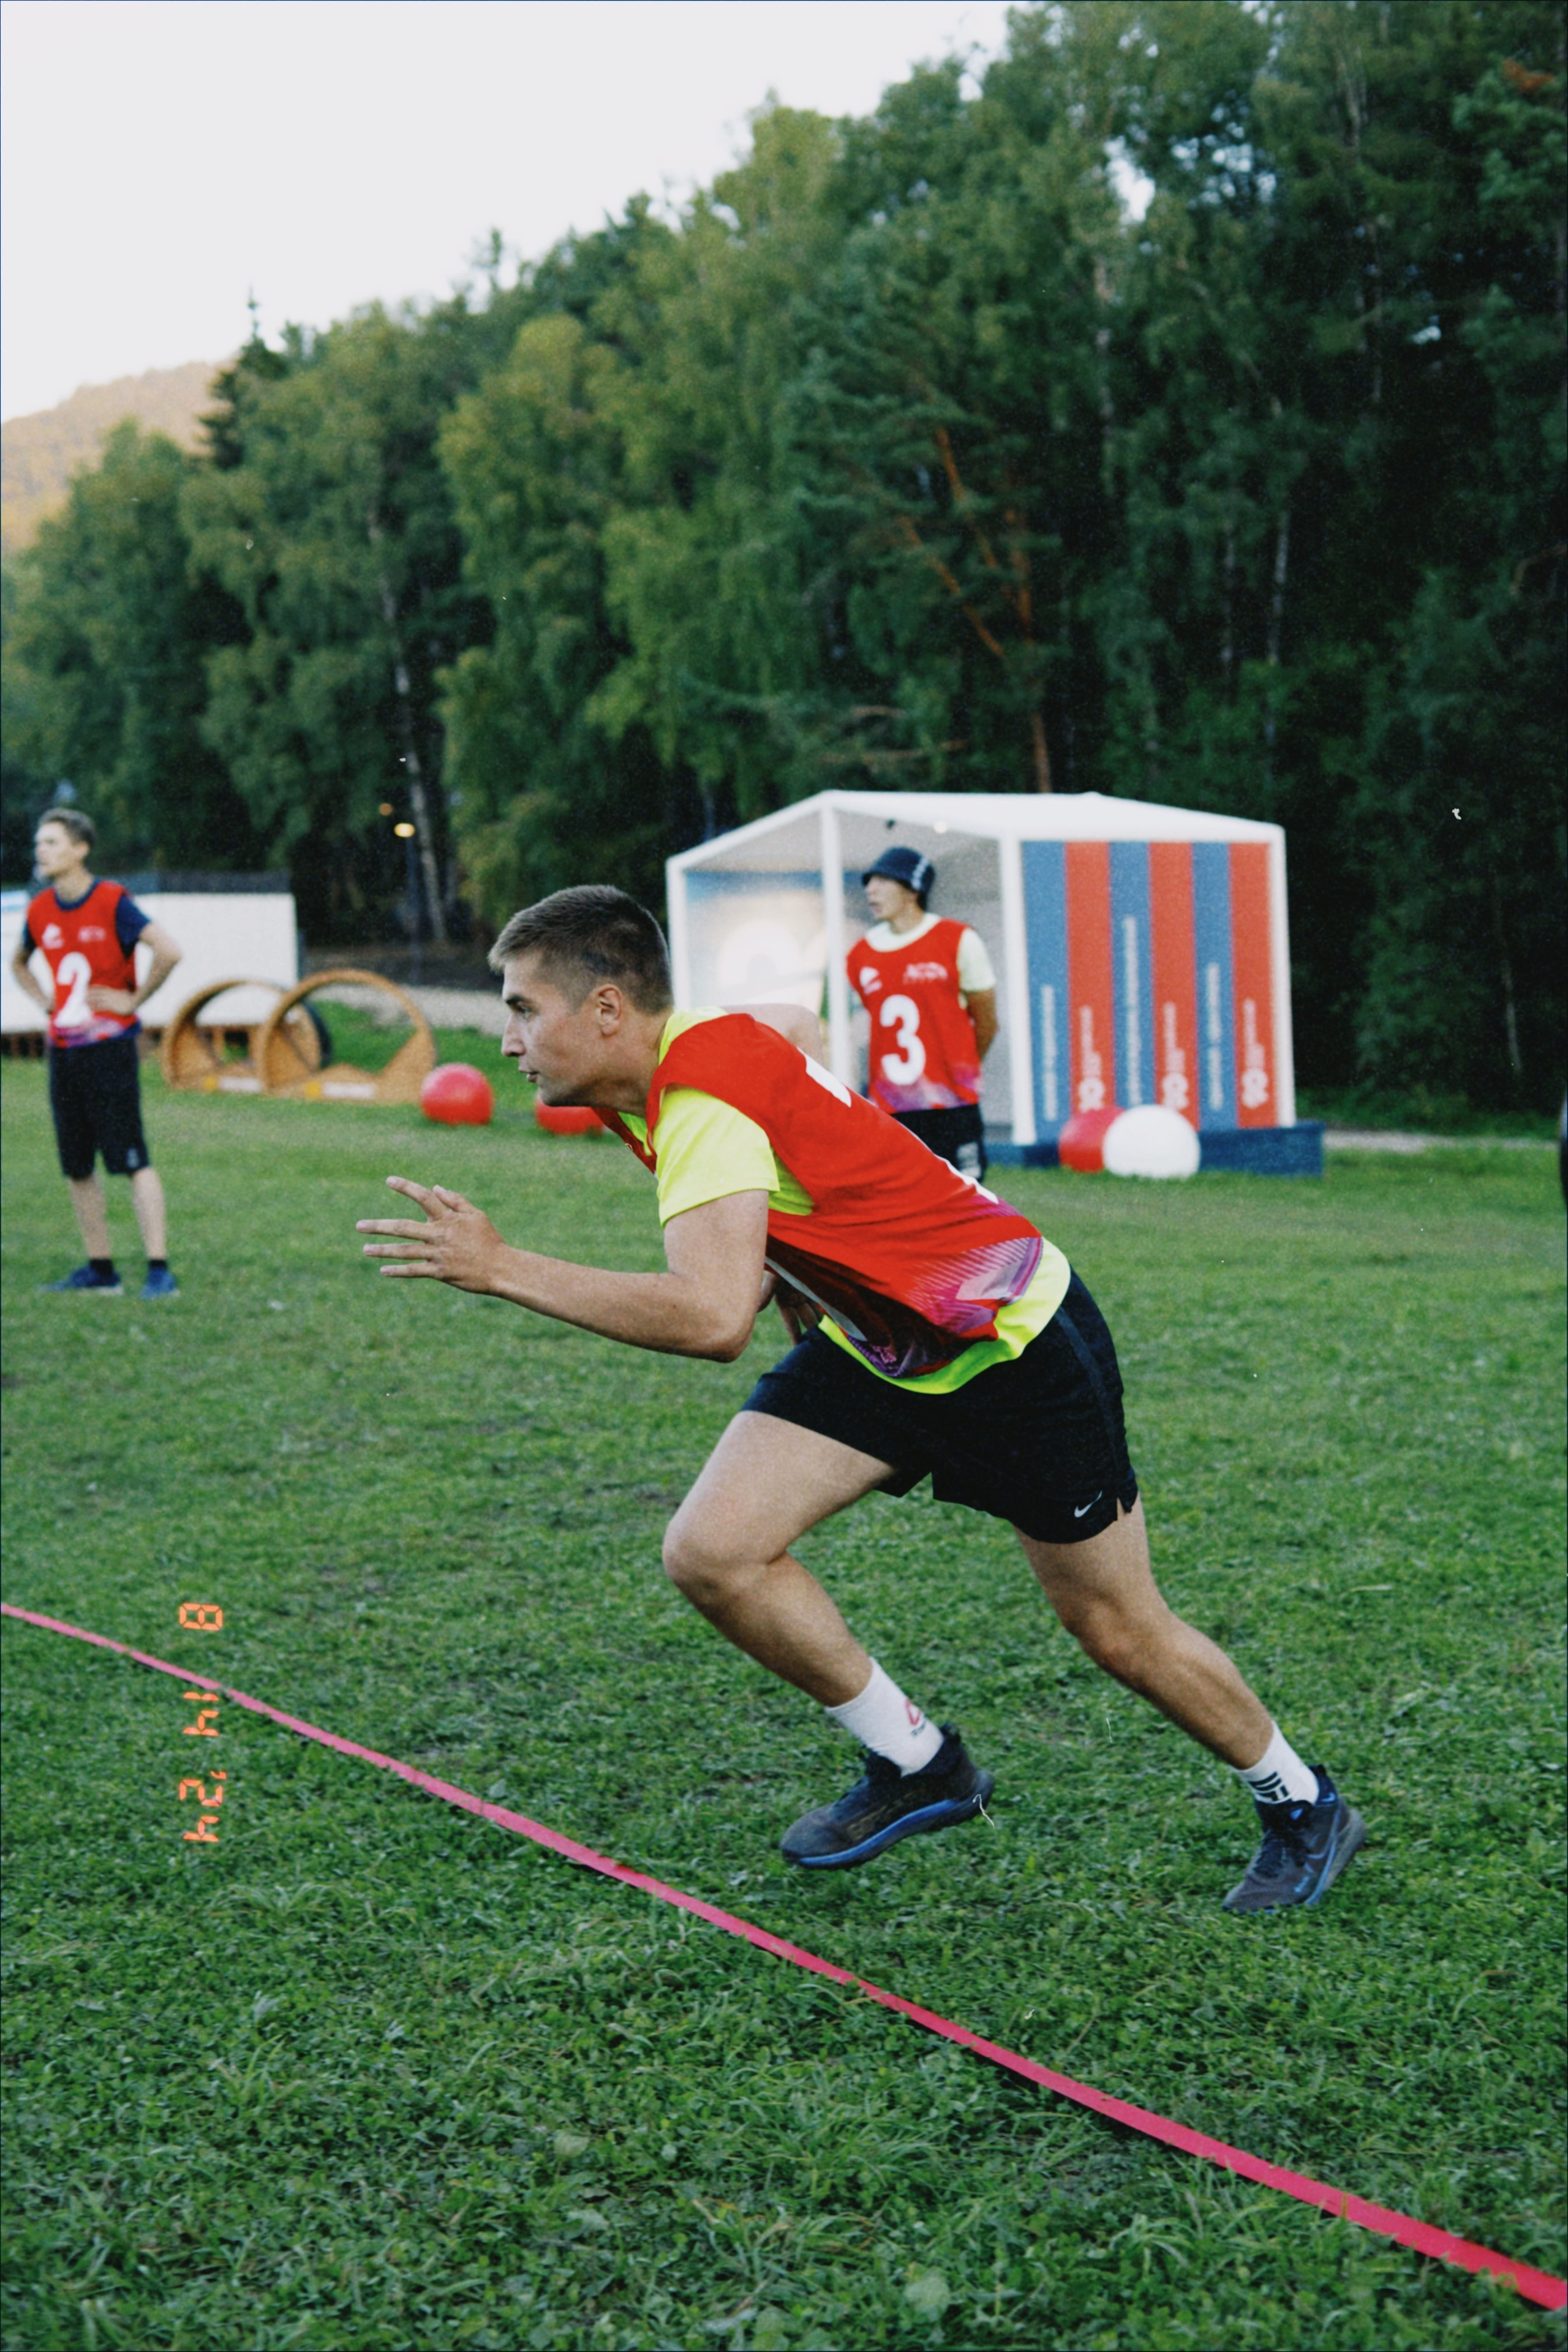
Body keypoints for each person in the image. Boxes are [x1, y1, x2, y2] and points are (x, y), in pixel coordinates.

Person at [357, 886, 1365, 1913]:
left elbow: (711, 1317)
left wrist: (502, 1267)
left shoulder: (701, 1104)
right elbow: (798, 1037)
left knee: (1118, 1629)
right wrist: (807, 1254)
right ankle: (920, 1764)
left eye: (524, 1010)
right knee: (714, 1551)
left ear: (607, 1008)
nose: (510, 1040)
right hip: (885, 1345)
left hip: (1014, 1347)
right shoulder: (698, 1043)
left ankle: (1304, 1802)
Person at [11, 808, 183, 1298]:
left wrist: (133, 1000)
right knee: (76, 1164)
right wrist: (44, 1001)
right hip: (64, 1053)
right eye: (39, 843)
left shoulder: (112, 901)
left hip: (110, 1050)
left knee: (132, 1159)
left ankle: (159, 1269)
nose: (41, 850)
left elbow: (169, 951)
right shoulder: (40, 909)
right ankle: (100, 1269)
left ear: (80, 848)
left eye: (51, 842)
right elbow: (19, 963)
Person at [847, 845, 998, 1180]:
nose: (871, 890)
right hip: (893, 1107)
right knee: (901, 1195)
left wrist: (960, 1069)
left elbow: (987, 1019)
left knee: (965, 1194)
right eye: (869, 882)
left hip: (953, 1105)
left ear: (913, 889)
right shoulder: (861, 954)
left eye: (882, 881)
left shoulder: (957, 939)